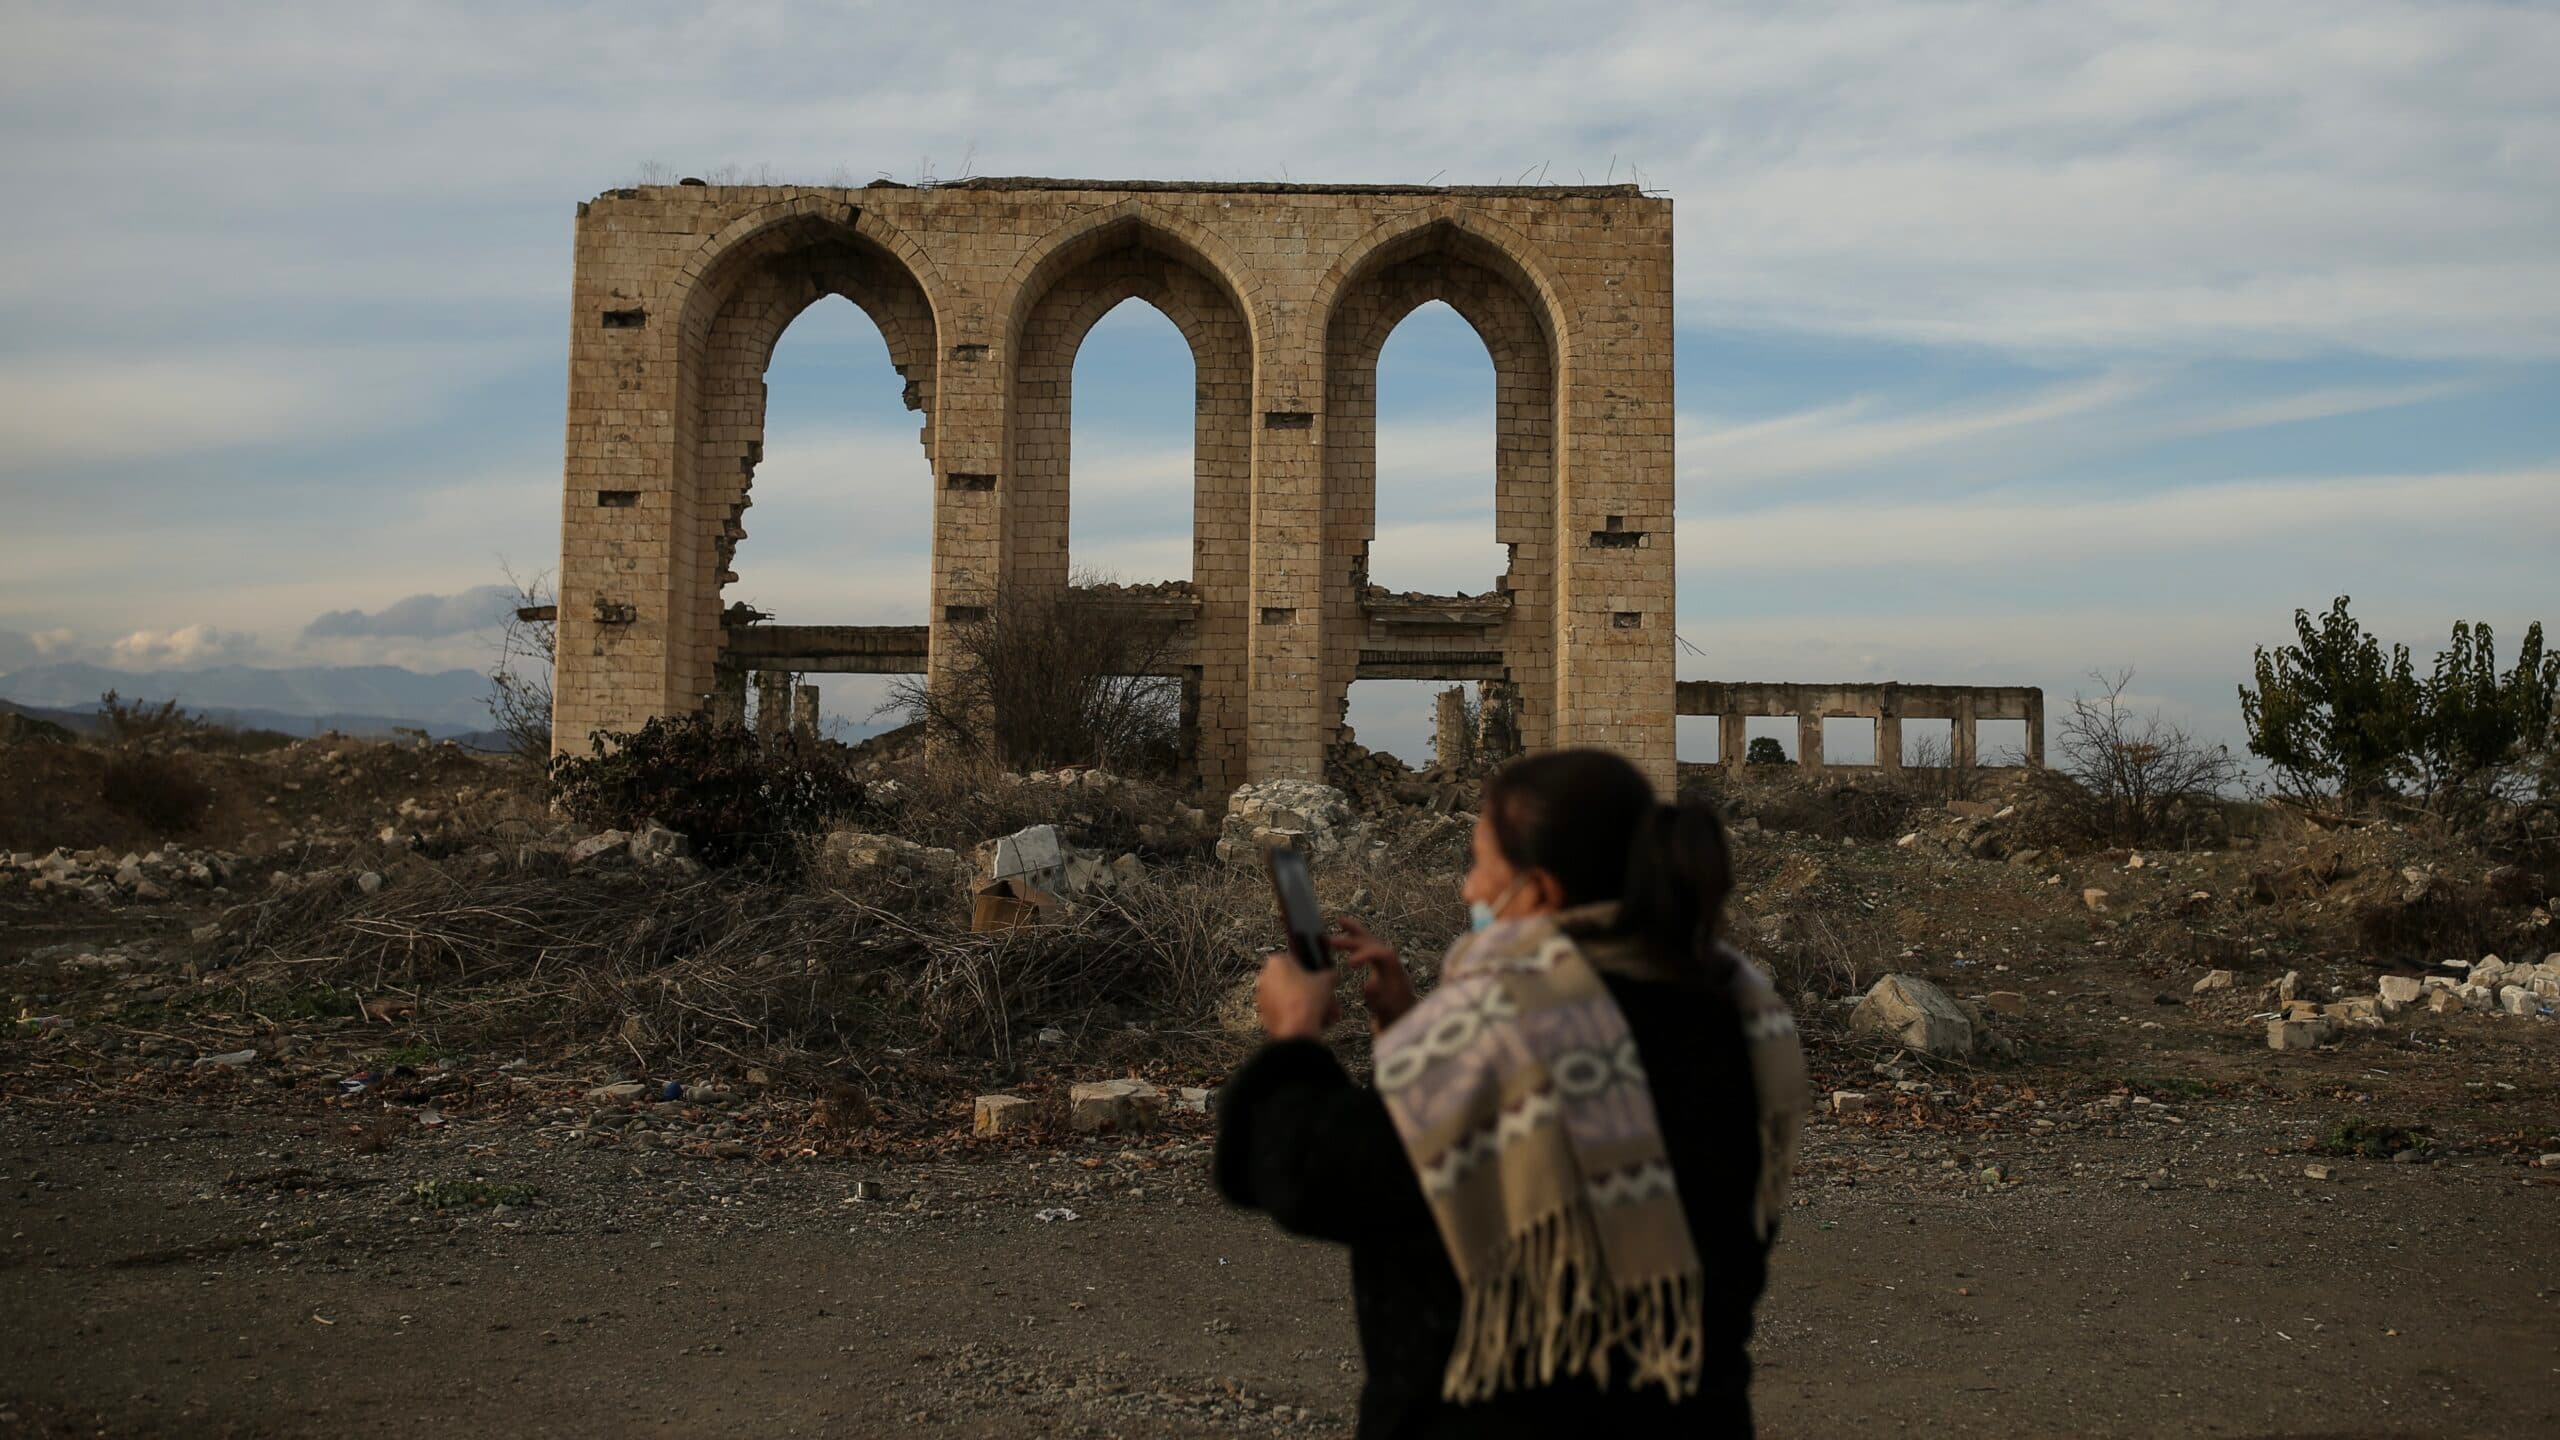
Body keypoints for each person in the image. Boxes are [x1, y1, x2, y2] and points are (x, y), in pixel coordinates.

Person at [1215, 748, 1807, 1438]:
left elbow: (1300, 1173)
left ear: (1540, 892)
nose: (1469, 890)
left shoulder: (1512, 1032)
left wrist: (1295, 1036)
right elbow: (1502, 1131)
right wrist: (1409, 1027)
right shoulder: (1735, 1009)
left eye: (1480, 863)